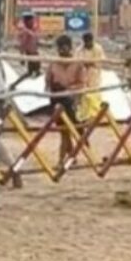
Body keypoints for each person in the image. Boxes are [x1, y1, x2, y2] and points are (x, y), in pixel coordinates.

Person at [45, 35, 87, 164]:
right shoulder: (53, 64)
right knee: (64, 131)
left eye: (64, 48)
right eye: (60, 49)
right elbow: (47, 82)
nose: (62, 51)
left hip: (71, 101)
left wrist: (69, 90)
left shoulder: (77, 64)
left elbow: (82, 84)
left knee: (68, 130)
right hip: (56, 100)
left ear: (69, 48)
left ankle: (62, 160)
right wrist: (52, 89)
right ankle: (70, 158)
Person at [76, 33, 107, 121]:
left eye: (89, 41)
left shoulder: (98, 48)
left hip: (94, 74)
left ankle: (95, 114)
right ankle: (85, 115)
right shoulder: (79, 50)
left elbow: (101, 60)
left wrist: (91, 63)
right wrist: (84, 64)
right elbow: (76, 61)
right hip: (83, 74)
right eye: (86, 42)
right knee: (84, 95)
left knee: (94, 94)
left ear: (92, 40)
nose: (88, 43)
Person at [12, 13, 41, 90]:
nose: (33, 22)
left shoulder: (32, 31)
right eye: (31, 21)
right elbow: (22, 45)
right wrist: (22, 58)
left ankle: (14, 85)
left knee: (34, 72)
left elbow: (36, 42)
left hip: (35, 54)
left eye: (33, 20)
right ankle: (13, 85)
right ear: (27, 22)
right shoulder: (25, 32)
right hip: (31, 54)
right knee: (33, 72)